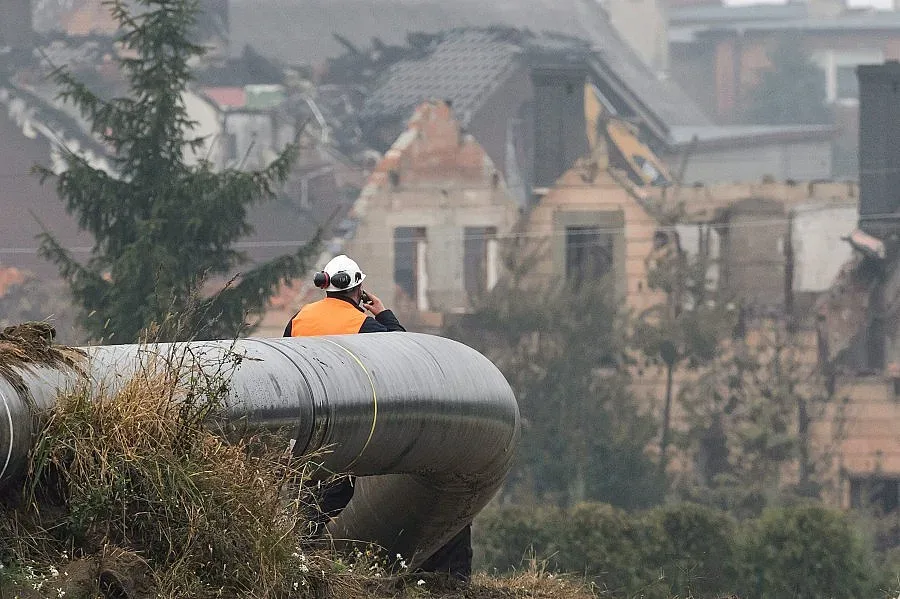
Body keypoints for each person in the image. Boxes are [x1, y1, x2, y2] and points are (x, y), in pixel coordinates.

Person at [284, 254, 472, 582]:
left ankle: (301, 554)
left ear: (325, 286)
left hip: (310, 418)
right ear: (359, 289)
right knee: (338, 491)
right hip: (349, 420)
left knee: (313, 490)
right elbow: (402, 351)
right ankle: (308, 557)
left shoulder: (300, 318)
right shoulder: (361, 324)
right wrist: (382, 312)